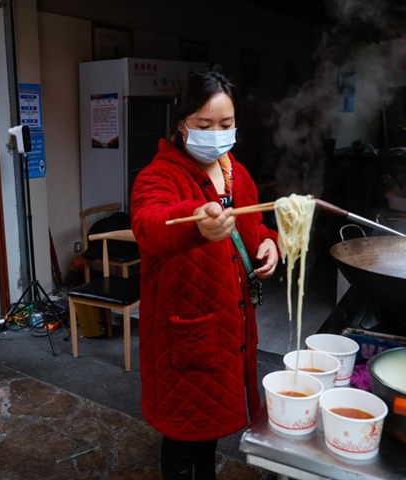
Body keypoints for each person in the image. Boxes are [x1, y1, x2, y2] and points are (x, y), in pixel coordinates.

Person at [130, 67, 279, 480]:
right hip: (185, 327)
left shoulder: (236, 172)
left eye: (226, 124)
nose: (217, 133)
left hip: (230, 325)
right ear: (182, 125)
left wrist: (269, 245)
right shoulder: (158, 176)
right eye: (204, 124)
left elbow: (254, 230)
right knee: (183, 431)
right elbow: (149, 223)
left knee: (209, 424)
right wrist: (196, 221)